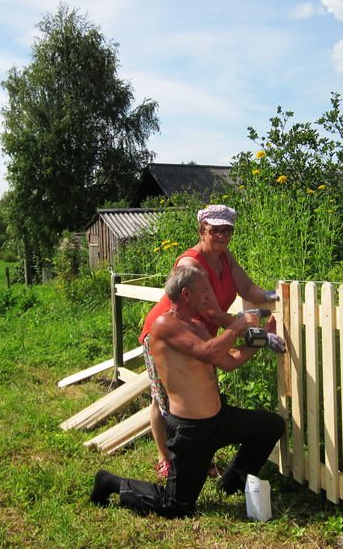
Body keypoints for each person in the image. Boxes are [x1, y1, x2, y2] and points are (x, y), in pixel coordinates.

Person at [90, 265, 285, 517]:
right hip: (191, 431)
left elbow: (227, 361)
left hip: (219, 419)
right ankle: (110, 482)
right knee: (176, 507)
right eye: (204, 289)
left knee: (271, 426)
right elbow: (208, 352)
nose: (208, 294)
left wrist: (262, 338)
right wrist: (237, 326)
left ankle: (230, 484)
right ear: (186, 294)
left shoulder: (195, 325)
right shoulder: (164, 325)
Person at [138, 204, 280, 480]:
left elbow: (247, 288)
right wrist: (254, 334)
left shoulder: (225, 258)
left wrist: (273, 294)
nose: (222, 235)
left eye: (228, 230)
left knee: (201, 397)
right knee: (164, 398)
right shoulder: (190, 263)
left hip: (201, 337)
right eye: (216, 230)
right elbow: (211, 312)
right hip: (168, 336)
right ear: (202, 230)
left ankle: (198, 457)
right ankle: (166, 459)